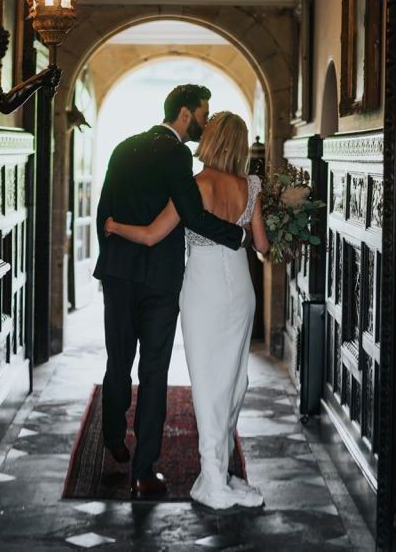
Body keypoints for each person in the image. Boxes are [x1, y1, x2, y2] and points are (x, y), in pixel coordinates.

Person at [105, 112, 269, 510]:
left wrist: (112, 226)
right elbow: (262, 246)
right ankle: (222, 472)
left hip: (203, 292)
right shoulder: (251, 186)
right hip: (241, 291)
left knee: (209, 384)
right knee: (234, 380)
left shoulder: (195, 186)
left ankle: (214, 480)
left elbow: (150, 235)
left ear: (212, 142)